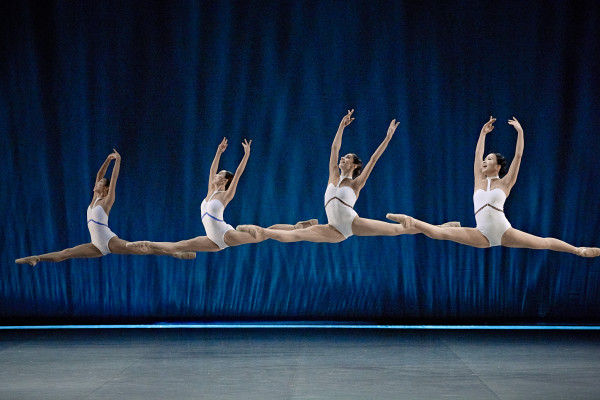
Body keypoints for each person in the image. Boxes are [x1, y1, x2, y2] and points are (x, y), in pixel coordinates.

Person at [387, 116, 600, 257]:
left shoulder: (506, 182)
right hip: (481, 233)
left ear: (497, 165)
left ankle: (578, 250)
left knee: (543, 243)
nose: (484, 162)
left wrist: (520, 132)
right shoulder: (478, 180)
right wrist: (482, 134)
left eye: (489, 160)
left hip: (503, 229)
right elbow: (476, 155)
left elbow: (518, 156)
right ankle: (412, 220)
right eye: (485, 160)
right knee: (439, 234)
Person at [237, 110, 458, 243]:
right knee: (298, 235)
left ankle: (443, 228)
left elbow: (373, 160)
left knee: (398, 230)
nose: (342, 158)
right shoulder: (333, 175)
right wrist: (341, 126)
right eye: (343, 157)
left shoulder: (356, 183)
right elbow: (334, 148)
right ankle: (262, 231)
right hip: (334, 229)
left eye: (347, 157)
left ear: (354, 165)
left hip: (353, 223)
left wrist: (388, 137)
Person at [126, 138, 315, 254]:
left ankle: (298, 227)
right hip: (211, 239)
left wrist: (246, 154)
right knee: (180, 245)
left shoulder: (225, 195)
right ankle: (147, 245)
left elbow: (238, 174)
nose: (216, 176)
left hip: (226, 235)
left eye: (219, 175)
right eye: (217, 174)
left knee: (264, 233)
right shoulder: (210, 191)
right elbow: (211, 170)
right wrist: (218, 152)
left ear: (224, 181)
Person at [15, 150, 196, 266]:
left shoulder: (107, 200)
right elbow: (99, 174)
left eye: (100, 183)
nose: (97, 183)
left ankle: (176, 253)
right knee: (65, 253)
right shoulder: (95, 198)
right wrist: (107, 160)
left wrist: (118, 160)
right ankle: (36, 258)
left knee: (142, 249)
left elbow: (113, 178)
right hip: (96, 245)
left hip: (109, 241)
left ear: (106, 189)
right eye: (98, 183)